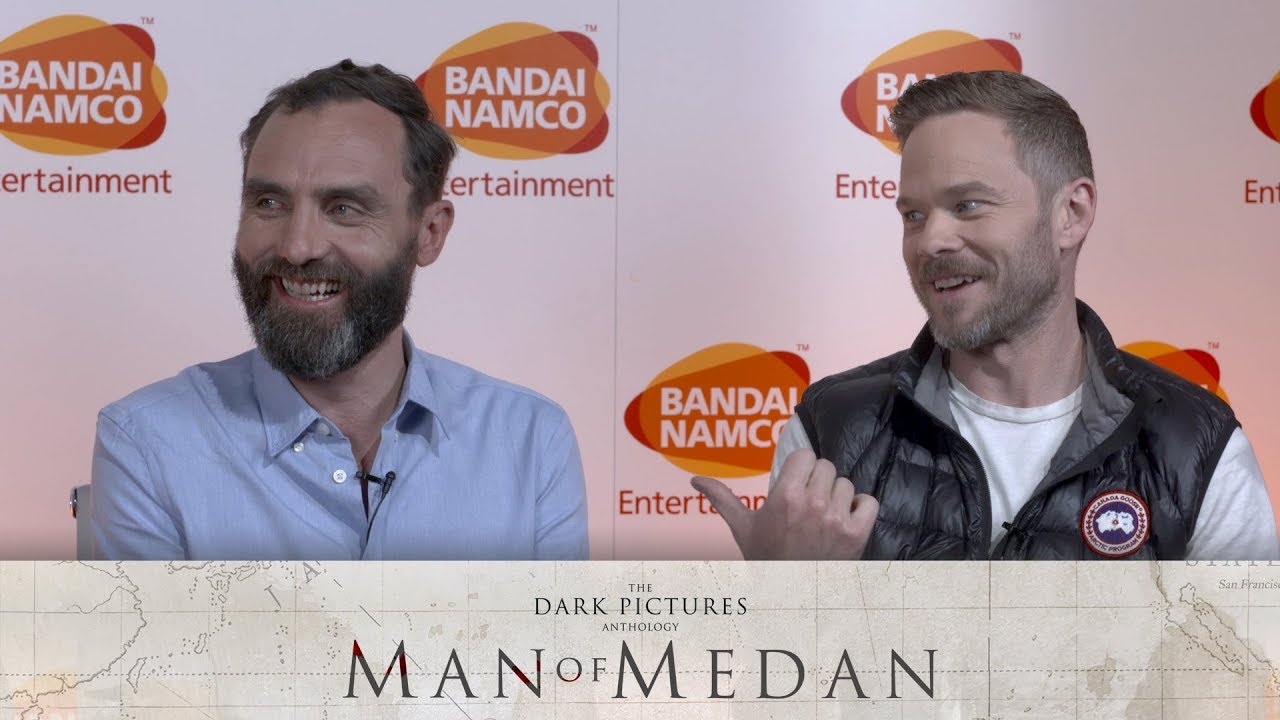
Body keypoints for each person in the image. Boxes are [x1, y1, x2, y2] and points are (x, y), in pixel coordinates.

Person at [694, 71, 1278, 560]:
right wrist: (789, 599)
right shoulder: (830, 430)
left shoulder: (1195, 444)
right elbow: (788, 667)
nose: (931, 241)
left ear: (1071, 214)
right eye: (913, 215)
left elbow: (1239, 666)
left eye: (967, 205)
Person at [91, 60, 588, 560]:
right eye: (269, 203)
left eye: (343, 209)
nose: (297, 247)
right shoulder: (148, 441)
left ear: (429, 232)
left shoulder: (529, 440)